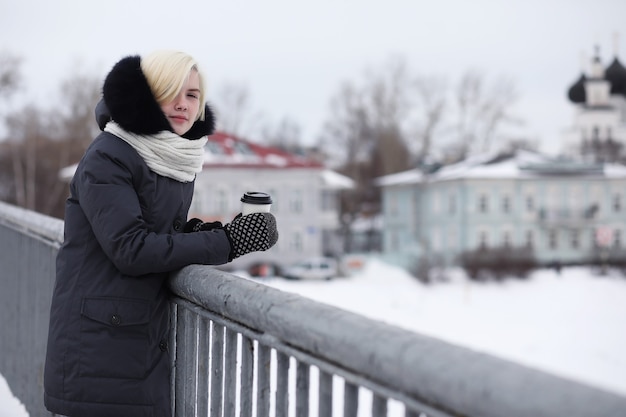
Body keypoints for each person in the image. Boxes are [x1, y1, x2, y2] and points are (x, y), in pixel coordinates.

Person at [43, 50, 278, 417]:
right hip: (97, 350)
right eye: (171, 91)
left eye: (192, 95)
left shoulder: (171, 157)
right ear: (147, 94)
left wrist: (217, 231)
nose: (183, 104)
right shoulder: (110, 155)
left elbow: (158, 229)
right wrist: (228, 242)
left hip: (136, 342)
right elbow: (131, 248)